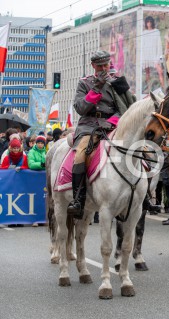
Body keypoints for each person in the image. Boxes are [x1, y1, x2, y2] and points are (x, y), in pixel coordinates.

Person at [67, 50, 136, 220]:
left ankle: (143, 195)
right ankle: (78, 199)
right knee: (81, 155)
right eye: (100, 66)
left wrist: (112, 122)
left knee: (135, 148)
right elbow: (81, 108)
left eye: (106, 65)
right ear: (93, 66)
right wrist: (96, 88)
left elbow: (128, 108)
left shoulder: (117, 84)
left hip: (113, 126)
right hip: (89, 126)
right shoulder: (85, 83)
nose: (104, 69)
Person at [142, 16, 164, 92]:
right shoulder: (144, 33)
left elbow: (159, 44)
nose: (149, 23)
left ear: (152, 22)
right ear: (146, 23)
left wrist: (159, 56)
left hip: (154, 54)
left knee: (160, 72)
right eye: (147, 22)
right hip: (146, 54)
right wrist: (143, 56)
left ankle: (163, 88)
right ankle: (149, 89)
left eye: (150, 21)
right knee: (147, 73)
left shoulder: (156, 31)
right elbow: (142, 45)